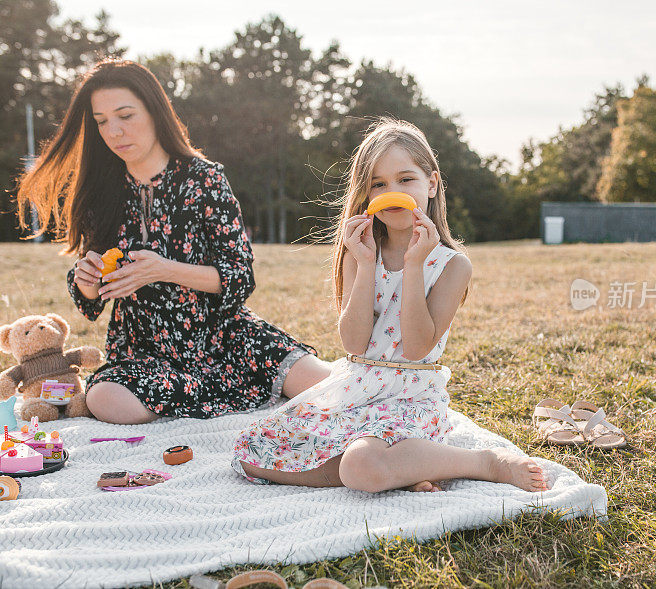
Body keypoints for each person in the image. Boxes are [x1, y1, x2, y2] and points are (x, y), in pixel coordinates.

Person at [232, 119, 550, 493]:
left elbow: (417, 347)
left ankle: (482, 462)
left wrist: (414, 266)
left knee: (359, 464)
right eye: (378, 184)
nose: (392, 191)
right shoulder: (362, 255)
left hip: (409, 395)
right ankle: (402, 468)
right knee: (251, 452)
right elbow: (353, 343)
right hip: (358, 388)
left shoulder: (452, 266)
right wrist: (365, 264)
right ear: (366, 196)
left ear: (431, 184)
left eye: (405, 180)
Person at [14, 59, 331, 424]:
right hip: (145, 353)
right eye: (102, 122)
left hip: (224, 335)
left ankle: (223, 388)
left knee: (328, 387)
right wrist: (86, 282)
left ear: (154, 112)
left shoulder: (204, 179)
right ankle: (213, 394)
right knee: (104, 399)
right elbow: (92, 303)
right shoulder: (101, 191)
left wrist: (165, 270)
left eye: (125, 116)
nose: (114, 131)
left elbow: (240, 277)